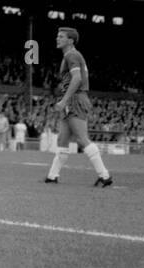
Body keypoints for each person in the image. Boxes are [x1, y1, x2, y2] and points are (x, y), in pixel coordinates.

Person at [44, 27, 113, 186]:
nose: (57, 38)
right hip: (71, 100)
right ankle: (52, 176)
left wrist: (64, 100)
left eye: (61, 36)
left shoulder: (72, 55)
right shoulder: (70, 55)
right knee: (62, 139)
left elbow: (77, 79)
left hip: (75, 99)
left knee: (82, 139)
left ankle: (105, 175)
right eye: (57, 36)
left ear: (70, 40)